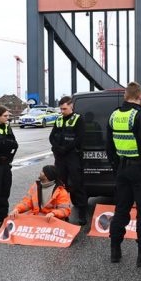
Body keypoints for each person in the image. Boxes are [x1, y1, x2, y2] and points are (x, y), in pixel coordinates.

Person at [105, 82, 141, 267]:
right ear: (140, 97)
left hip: (122, 169)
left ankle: (115, 251)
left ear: (125, 96)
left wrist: (117, 167)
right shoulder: (140, 116)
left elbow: (109, 146)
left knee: (121, 210)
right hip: (140, 170)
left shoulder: (114, 116)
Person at [49, 96, 89, 225]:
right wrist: (57, 147)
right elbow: (52, 136)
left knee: (78, 185)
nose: (62, 111)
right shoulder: (59, 119)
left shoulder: (78, 119)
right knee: (60, 186)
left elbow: (80, 138)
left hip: (73, 156)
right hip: (60, 158)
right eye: (60, 109)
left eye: (64, 108)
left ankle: (82, 215)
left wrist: (65, 148)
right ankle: (62, 213)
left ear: (71, 106)